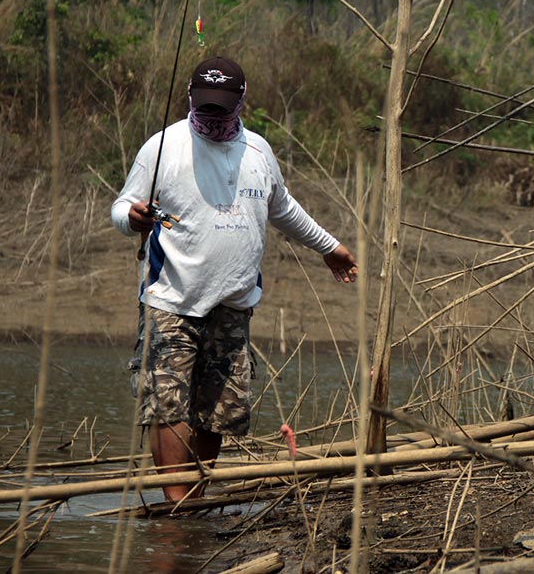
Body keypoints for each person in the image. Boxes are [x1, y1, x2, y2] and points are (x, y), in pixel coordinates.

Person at [111, 56, 357, 502]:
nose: (212, 115)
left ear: (241, 102)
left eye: (221, 107)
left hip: (234, 304)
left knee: (215, 413)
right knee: (167, 405)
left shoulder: (258, 152)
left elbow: (283, 208)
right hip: (171, 300)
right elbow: (121, 206)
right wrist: (132, 218)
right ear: (190, 98)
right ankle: (177, 507)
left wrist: (329, 247)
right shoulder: (163, 147)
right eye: (204, 105)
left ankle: (194, 499)